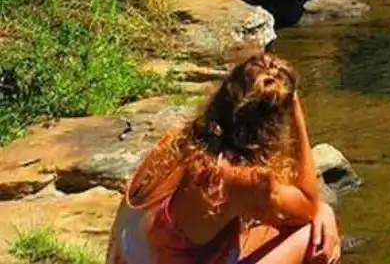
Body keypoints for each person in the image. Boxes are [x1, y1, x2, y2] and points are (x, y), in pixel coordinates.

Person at [107, 52, 341, 264]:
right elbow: (308, 205)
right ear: (272, 128)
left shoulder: (177, 141)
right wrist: (295, 110)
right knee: (313, 234)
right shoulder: (240, 181)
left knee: (272, 228)